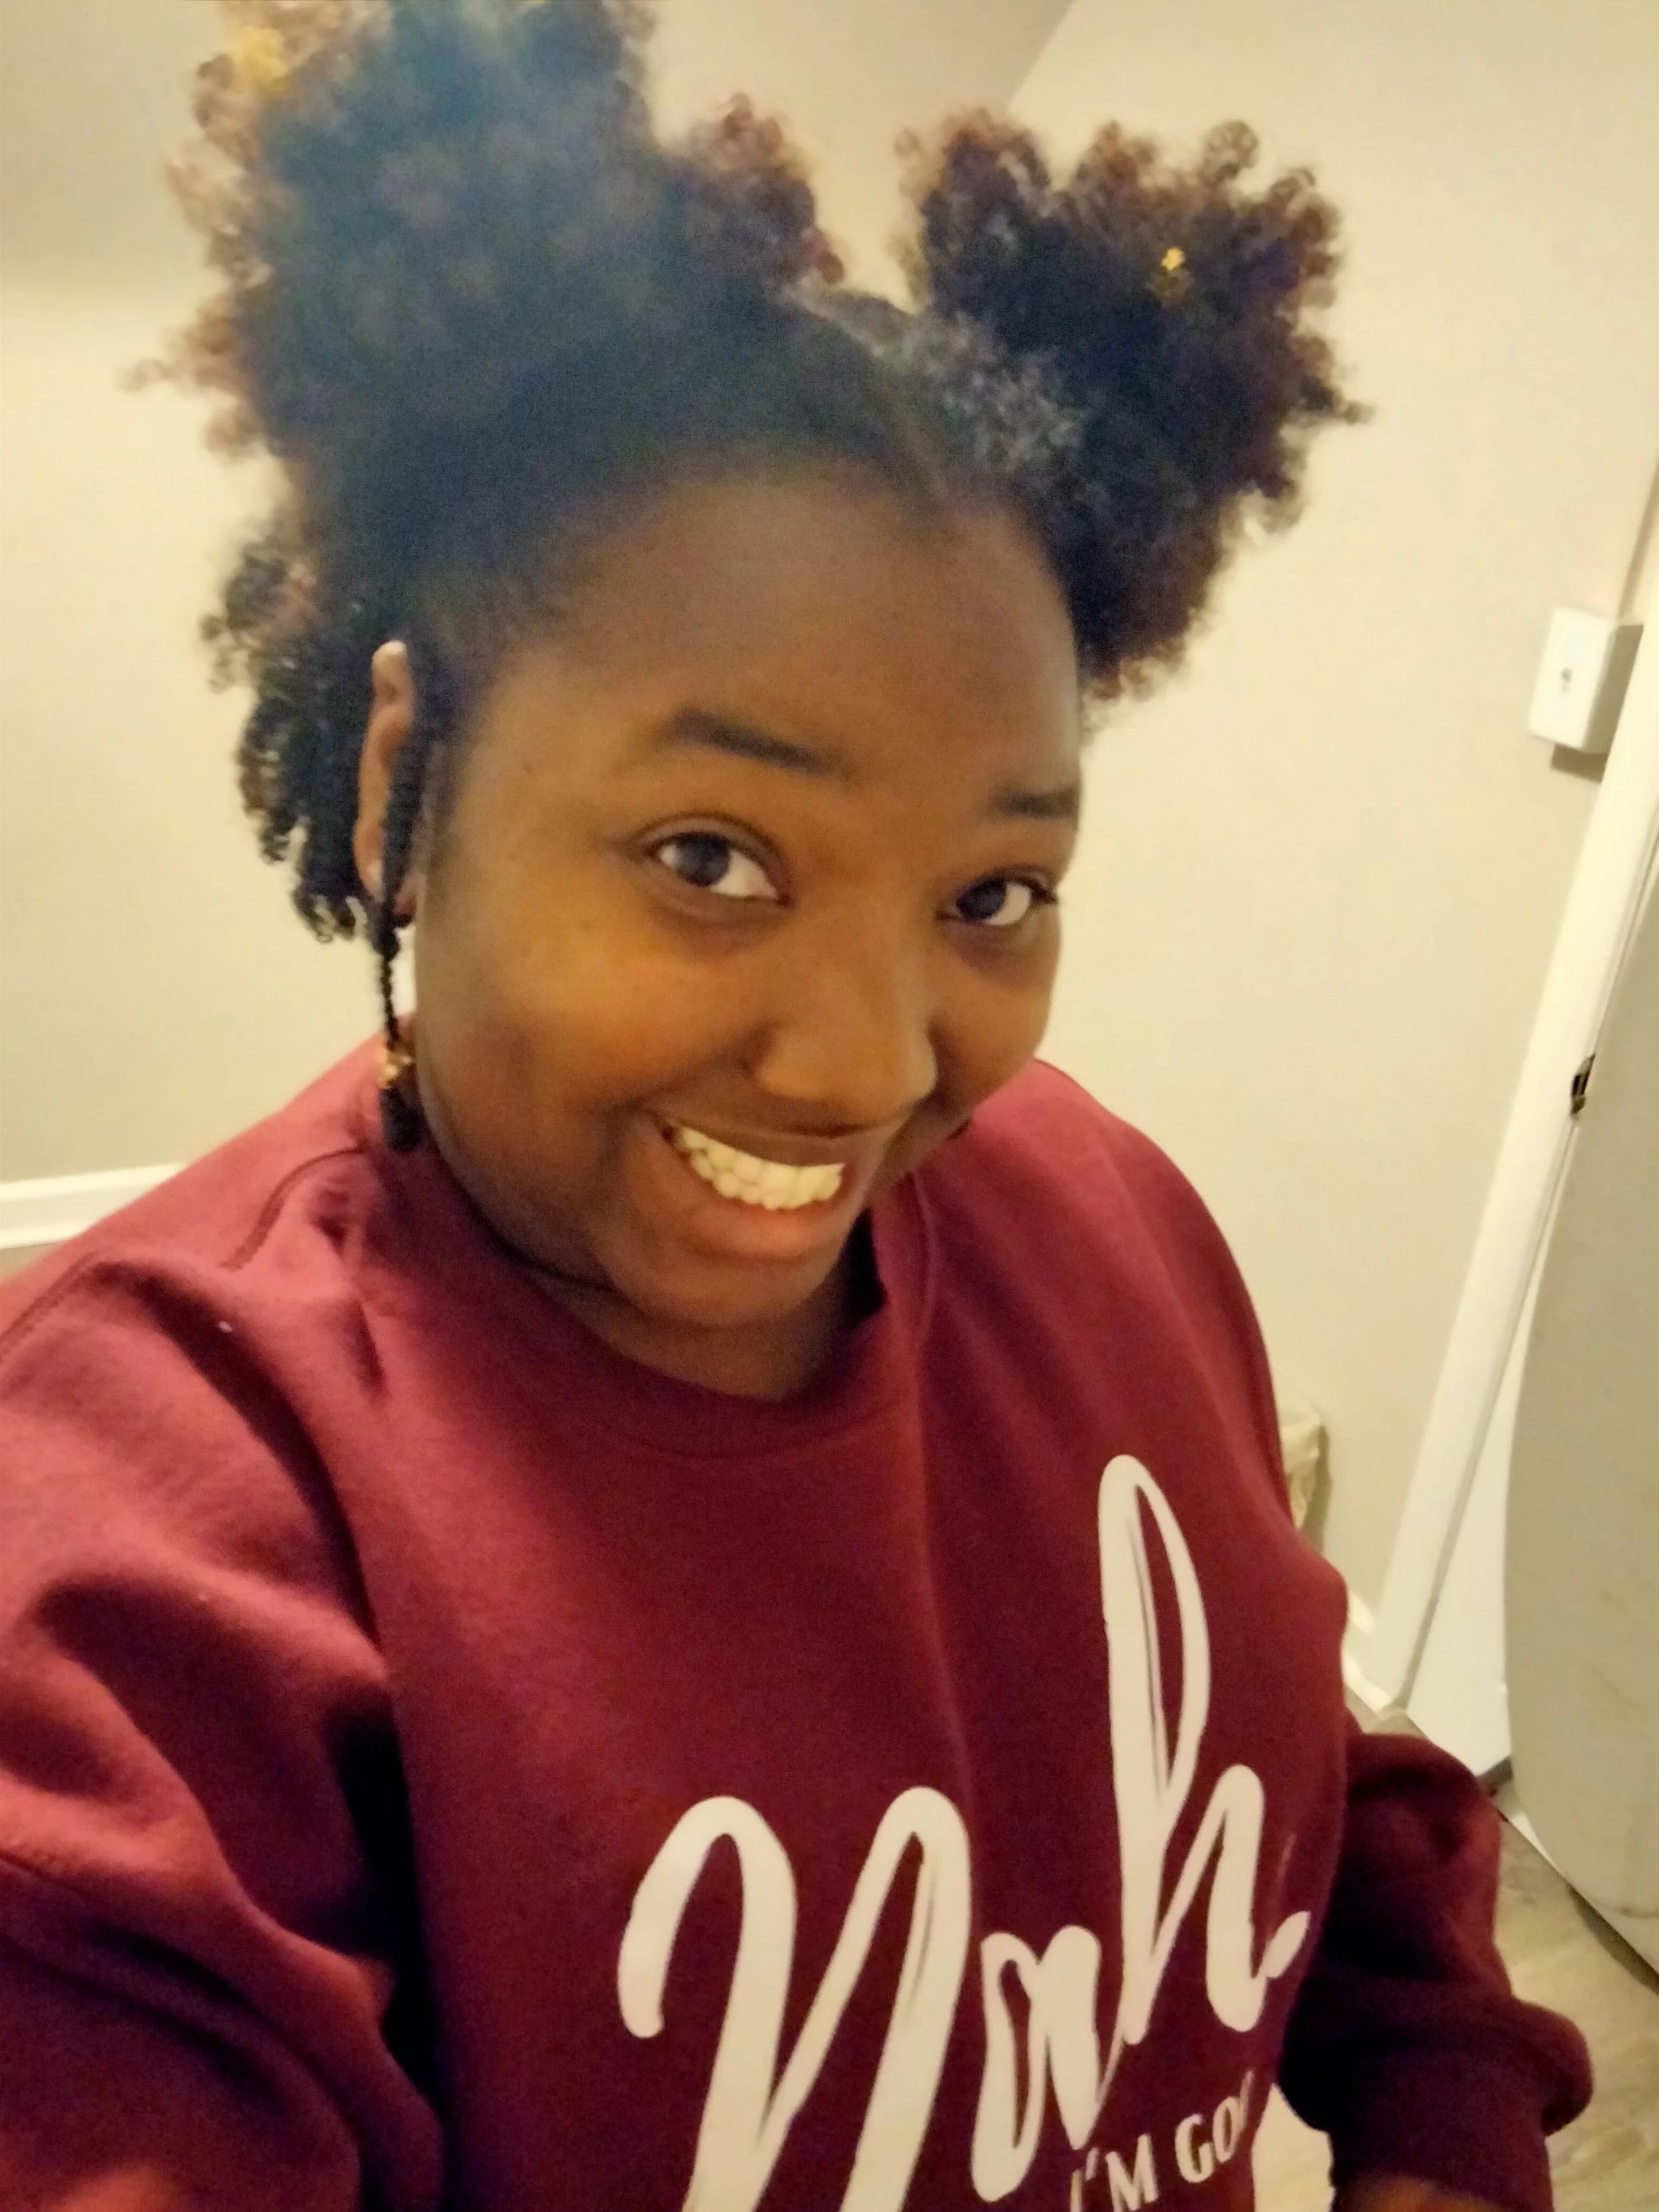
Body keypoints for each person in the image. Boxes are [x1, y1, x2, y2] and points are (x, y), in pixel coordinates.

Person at [0, 3, 1590, 2208]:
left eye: (990, 893)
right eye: (711, 857)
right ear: (397, 789)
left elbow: (1300, 1769)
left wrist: (1447, 2122)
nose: (869, 1065)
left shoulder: (1102, 1207)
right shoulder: (150, 1549)